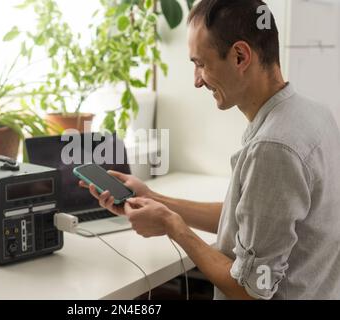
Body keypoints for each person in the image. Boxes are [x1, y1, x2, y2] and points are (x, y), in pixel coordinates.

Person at [79, 0, 340, 299]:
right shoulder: (313, 114)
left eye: (201, 64)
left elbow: (250, 291)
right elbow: (250, 222)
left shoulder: (274, 147)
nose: (196, 81)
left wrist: (173, 227)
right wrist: (153, 198)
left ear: (240, 56)